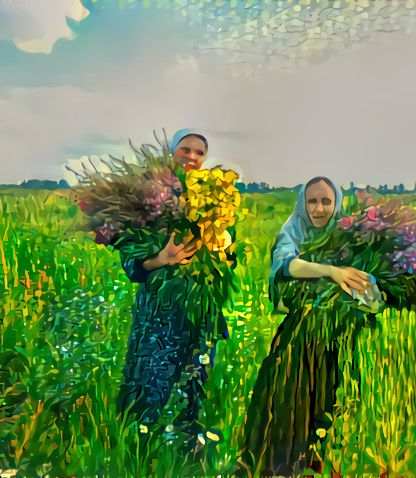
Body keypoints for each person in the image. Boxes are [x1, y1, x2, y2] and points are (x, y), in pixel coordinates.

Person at [238, 176, 375, 477]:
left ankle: (322, 461)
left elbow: (370, 287)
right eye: (312, 200)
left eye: (326, 201)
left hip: (337, 333)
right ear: (303, 203)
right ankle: (278, 464)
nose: (319, 208)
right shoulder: (294, 229)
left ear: (336, 203)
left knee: (329, 393)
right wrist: (332, 272)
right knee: (287, 393)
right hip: (298, 332)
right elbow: (286, 265)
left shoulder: (349, 235)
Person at [114, 128, 226, 449]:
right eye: (185, 149)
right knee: (151, 381)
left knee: (194, 383)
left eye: (199, 153)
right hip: (160, 312)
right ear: (171, 150)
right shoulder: (151, 193)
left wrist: (222, 248)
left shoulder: (213, 196)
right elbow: (130, 261)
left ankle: (186, 451)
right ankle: (138, 451)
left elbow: (219, 255)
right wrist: (161, 258)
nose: (191, 157)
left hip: (201, 308)